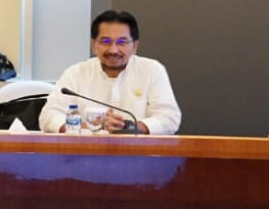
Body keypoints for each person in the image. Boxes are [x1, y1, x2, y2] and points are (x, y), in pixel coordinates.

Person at [39, 10, 181, 135]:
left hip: (137, 154)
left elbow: (169, 118)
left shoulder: (151, 71)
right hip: (85, 154)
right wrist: (88, 128)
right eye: (105, 41)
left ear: (135, 46)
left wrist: (127, 127)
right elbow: (48, 116)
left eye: (122, 42)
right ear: (93, 45)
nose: (113, 50)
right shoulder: (75, 73)